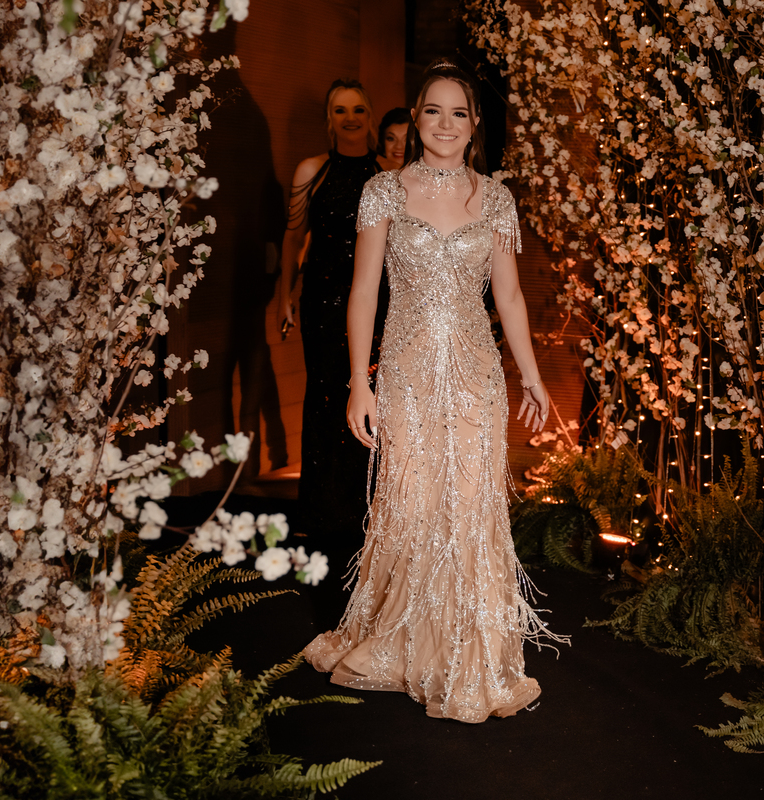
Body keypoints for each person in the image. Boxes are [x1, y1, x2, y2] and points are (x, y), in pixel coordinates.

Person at [304, 60, 566, 723]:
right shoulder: (384, 193)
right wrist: (358, 383)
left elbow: (509, 295)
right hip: (407, 373)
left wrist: (532, 375)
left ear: (474, 125)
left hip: (476, 375)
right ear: (416, 118)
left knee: (471, 507)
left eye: (458, 113)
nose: (444, 124)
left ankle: (466, 655)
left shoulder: (496, 199)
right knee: (414, 502)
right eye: (432, 111)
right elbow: (364, 293)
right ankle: (406, 642)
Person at [281, 79, 391, 538]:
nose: (350, 118)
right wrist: (284, 294)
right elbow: (293, 237)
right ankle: (320, 511)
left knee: (371, 393)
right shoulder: (312, 170)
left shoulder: (388, 173)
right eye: (340, 110)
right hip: (322, 301)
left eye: (358, 109)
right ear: (330, 118)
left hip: (378, 301)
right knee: (324, 395)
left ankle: (367, 508)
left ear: (370, 116)